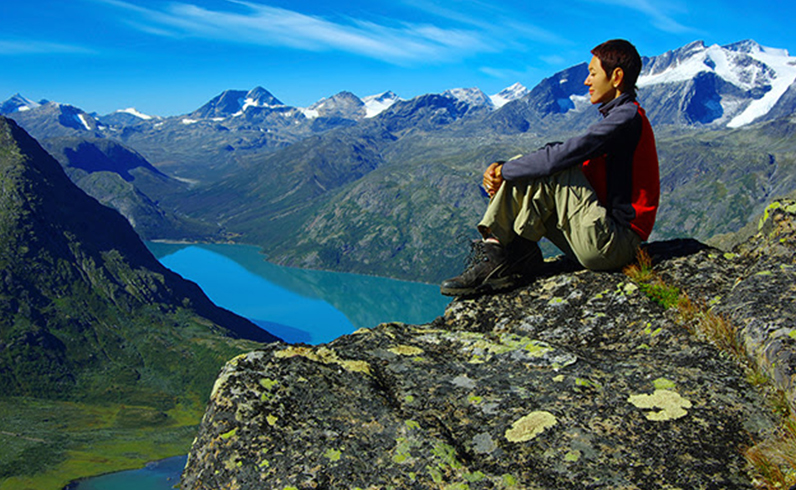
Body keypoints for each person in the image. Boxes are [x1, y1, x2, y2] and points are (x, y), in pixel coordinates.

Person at [441, 39, 659, 297]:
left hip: (615, 244)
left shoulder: (626, 118)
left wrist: (505, 171)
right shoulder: (621, 117)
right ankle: (515, 256)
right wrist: (507, 168)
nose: (587, 82)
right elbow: (562, 155)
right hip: (602, 239)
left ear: (616, 77)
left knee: (551, 167)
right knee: (536, 166)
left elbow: (562, 158)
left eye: (592, 74)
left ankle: (499, 256)